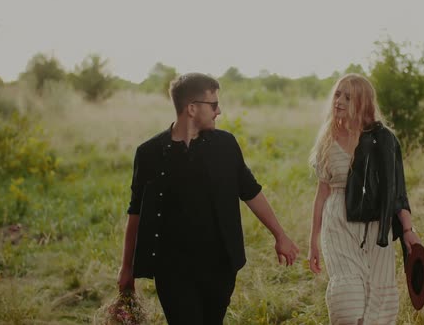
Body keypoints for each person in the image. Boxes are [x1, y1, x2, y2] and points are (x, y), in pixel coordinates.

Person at [117, 72, 299, 324]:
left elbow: (250, 191)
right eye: (213, 105)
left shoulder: (225, 145)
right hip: (172, 270)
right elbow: (136, 212)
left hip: (220, 266)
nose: (219, 111)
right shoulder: (150, 153)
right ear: (191, 108)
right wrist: (127, 268)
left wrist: (280, 235)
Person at [308, 73, 421, 325]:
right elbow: (322, 193)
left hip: (375, 228)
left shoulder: (383, 139)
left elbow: (397, 191)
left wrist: (408, 229)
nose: (339, 101)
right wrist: (313, 240)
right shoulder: (327, 138)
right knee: (348, 302)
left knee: (377, 301)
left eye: (348, 97)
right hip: (338, 224)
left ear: (362, 103)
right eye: (337, 94)